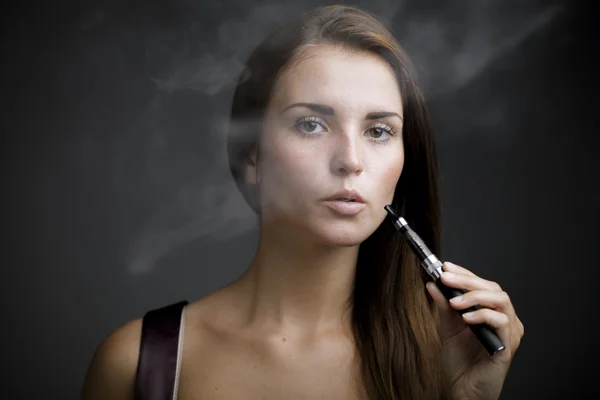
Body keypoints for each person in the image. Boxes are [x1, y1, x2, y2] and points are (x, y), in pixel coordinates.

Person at [82, 5, 524, 400]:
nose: (351, 161)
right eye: (312, 124)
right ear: (252, 154)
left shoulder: (444, 361)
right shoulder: (139, 364)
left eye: (379, 131)